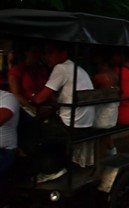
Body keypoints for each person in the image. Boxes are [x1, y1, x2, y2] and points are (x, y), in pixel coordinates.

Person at [31, 42, 96, 182]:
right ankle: (57, 163)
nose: (46, 57)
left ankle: (50, 169)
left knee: (32, 130)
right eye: (45, 53)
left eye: (50, 53)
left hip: (72, 125)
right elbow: (56, 97)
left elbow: (39, 99)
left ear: (63, 53)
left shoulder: (61, 68)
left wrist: (29, 97)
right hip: (84, 123)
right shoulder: (74, 68)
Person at [8, 44, 50, 156]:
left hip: (42, 104)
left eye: (39, 53)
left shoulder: (42, 70)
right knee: (29, 120)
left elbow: (49, 89)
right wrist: (32, 108)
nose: (37, 55)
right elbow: (15, 93)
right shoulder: (17, 70)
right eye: (34, 52)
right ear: (27, 53)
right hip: (24, 105)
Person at [91, 48, 120, 155]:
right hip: (112, 115)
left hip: (102, 117)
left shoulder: (99, 77)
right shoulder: (113, 74)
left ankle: (100, 158)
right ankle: (112, 151)